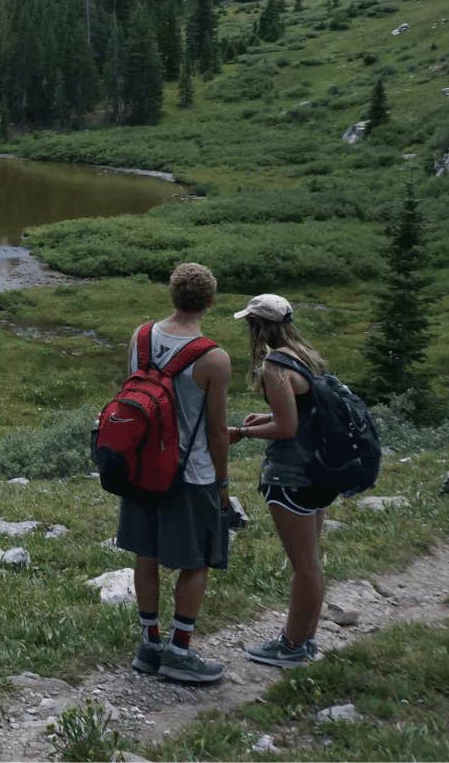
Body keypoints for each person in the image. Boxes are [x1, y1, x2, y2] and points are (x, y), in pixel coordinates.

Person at [118, 262, 236, 685]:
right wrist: (223, 485)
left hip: (141, 467)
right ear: (210, 301)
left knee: (145, 554)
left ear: (172, 296)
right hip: (191, 474)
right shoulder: (214, 359)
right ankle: (180, 651)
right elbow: (217, 431)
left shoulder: (141, 336)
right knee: (197, 559)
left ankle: (149, 644)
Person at [227, 292, 334, 668]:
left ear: (258, 327)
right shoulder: (304, 356)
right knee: (311, 562)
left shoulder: (274, 365)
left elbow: (287, 428)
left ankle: (290, 646)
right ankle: (305, 639)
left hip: (292, 475)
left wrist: (241, 431)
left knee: (304, 564)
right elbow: (301, 414)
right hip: (319, 468)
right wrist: (264, 415)